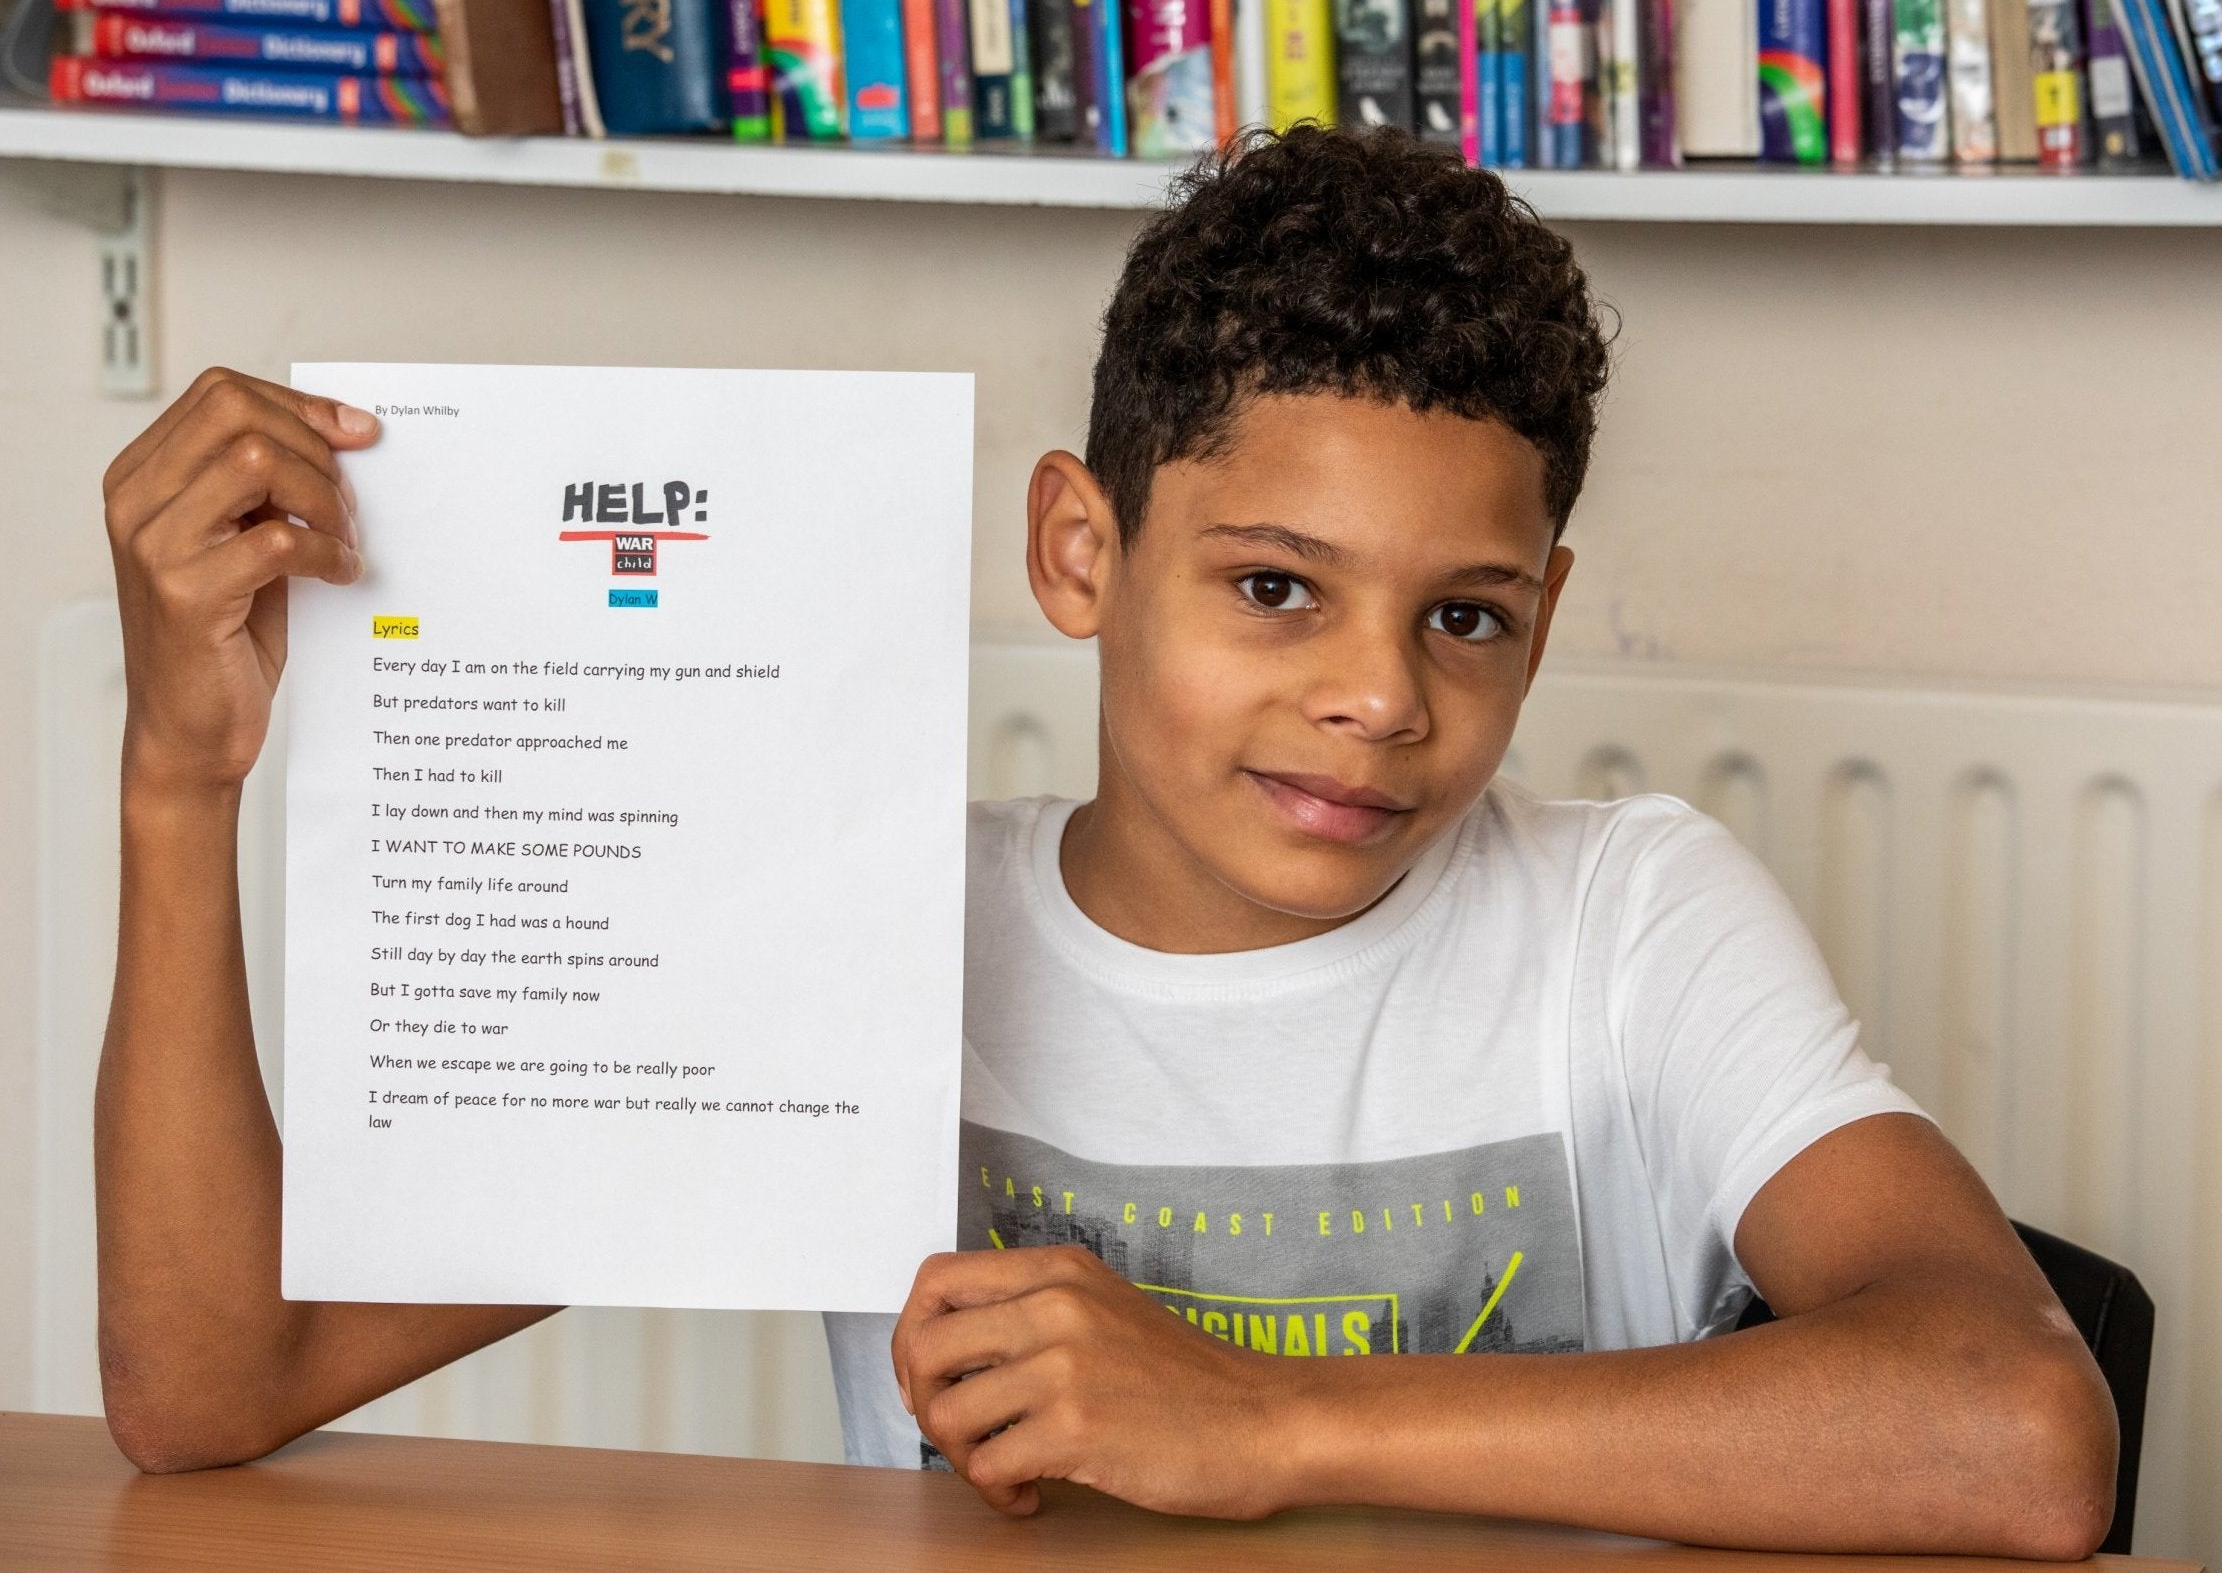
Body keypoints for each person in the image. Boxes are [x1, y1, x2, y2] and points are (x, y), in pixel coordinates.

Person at [94, 125, 2114, 1557]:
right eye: (1271, 589)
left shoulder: (1629, 918)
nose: (1379, 695)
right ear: (1084, 548)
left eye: (1463, 617)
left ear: (1543, 617)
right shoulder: (855, 921)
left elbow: (2017, 1430)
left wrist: (1266, 1423)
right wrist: (179, 789)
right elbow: (211, 1386)